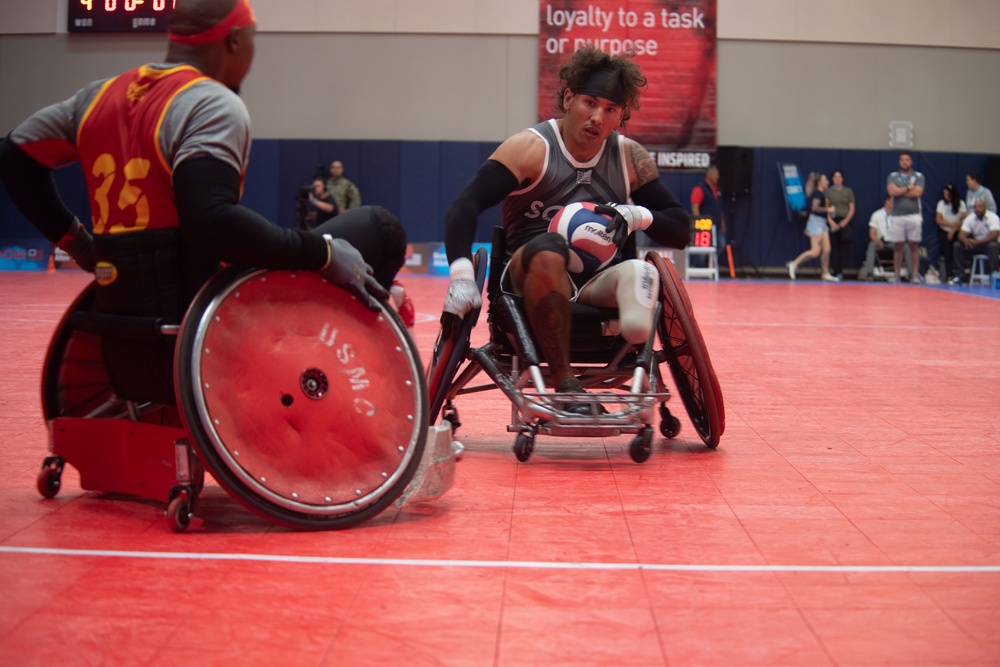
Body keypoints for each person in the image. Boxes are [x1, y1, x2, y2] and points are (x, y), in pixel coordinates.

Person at [0, 0, 403, 332]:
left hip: (125, 323)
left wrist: (78, 244)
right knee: (380, 229)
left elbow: (13, 158)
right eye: (252, 40)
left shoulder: (95, 97)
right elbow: (211, 225)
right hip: (203, 319)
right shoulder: (211, 102)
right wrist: (322, 253)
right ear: (233, 41)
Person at [441, 45, 689, 412]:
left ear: (621, 116)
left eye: (610, 109)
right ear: (569, 98)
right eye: (590, 102)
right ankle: (566, 384)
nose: (598, 117)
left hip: (593, 283)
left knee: (638, 269)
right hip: (527, 275)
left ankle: (636, 345)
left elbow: (681, 229)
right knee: (550, 249)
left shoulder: (629, 157)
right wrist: (462, 275)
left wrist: (640, 216)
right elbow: (464, 207)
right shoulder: (531, 148)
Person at [786, 172, 838, 282]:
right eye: (825, 180)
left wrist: (829, 216)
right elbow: (815, 208)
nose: (827, 182)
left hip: (822, 223)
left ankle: (825, 272)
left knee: (827, 249)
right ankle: (794, 264)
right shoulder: (817, 194)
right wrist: (828, 210)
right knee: (815, 251)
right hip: (816, 223)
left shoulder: (822, 194)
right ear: (820, 183)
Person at [886, 151, 924, 283]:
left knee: (914, 244)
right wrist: (908, 188)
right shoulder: (893, 176)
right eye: (902, 160)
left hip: (914, 215)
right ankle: (896, 274)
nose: (904, 162)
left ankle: (914, 274)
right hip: (897, 215)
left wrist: (900, 191)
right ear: (899, 162)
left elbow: (917, 193)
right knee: (898, 246)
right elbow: (891, 192)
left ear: (911, 162)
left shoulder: (918, 176)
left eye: (907, 159)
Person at [857, 195, 913, 281]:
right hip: (881, 242)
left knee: (906, 246)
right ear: (887, 202)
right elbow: (872, 233)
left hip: (894, 242)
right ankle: (869, 273)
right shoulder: (877, 215)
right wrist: (877, 240)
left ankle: (911, 274)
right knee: (871, 245)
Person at [949, 198, 1000, 284]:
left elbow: (994, 236)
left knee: (993, 246)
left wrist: (977, 242)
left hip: (987, 244)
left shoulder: (993, 217)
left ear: (985, 207)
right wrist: (966, 241)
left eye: (980, 207)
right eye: (975, 207)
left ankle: (993, 275)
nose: (977, 209)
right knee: (958, 245)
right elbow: (961, 235)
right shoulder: (970, 218)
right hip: (975, 244)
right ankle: (959, 276)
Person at [689, 163, 725, 266]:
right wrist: (698, 222)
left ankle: (708, 264)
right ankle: (698, 268)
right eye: (716, 174)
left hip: (716, 225)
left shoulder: (718, 190)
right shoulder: (700, 189)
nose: (718, 177)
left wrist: (722, 223)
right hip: (704, 226)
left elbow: (719, 208)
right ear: (708, 175)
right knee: (702, 250)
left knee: (720, 244)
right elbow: (695, 206)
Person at [825, 169, 855, 280]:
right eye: (835, 177)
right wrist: (830, 221)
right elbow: (826, 207)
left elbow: (852, 208)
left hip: (844, 220)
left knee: (846, 241)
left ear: (842, 179)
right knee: (834, 247)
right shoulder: (828, 192)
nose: (837, 179)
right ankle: (837, 271)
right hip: (833, 220)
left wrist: (844, 222)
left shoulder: (848, 191)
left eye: (839, 177)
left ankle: (846, 268)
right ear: (832, 179)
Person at [934, 183, 966, 279]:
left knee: (956, 251)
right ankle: (949, 275)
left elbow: (964, 220)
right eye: (944, 194)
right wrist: (952, 225)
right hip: (945, 231)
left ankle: (959, 274)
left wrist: (954, 229)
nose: (945, 196)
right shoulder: (941, 204)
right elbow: (938, 220)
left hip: (957, 231)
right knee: (947, 253)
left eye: (947, 194)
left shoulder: (961, 204)